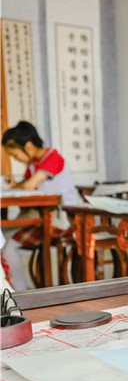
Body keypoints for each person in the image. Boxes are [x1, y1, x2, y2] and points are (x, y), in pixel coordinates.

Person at [2, 121, 82, 290]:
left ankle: (20, 293)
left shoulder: (53, 157)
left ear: (28, 146)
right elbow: (25, 185)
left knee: (8, 247)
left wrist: (17, 185)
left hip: (62, 219)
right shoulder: (33, 165)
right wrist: (16, 185)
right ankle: (15, 288)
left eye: (15, 155)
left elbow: (29, 186)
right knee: (3, 238)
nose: (16, 159)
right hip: (43, 217)